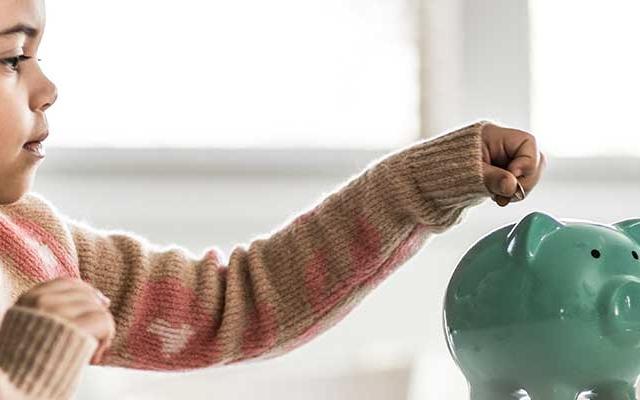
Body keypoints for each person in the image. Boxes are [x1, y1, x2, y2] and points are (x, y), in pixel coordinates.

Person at [0, 0, 546, 399]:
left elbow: (236, 301)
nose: (47, 87)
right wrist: (30, 371)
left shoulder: (33, 239)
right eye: (10, 58)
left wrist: (418, 184)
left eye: (36, 55)